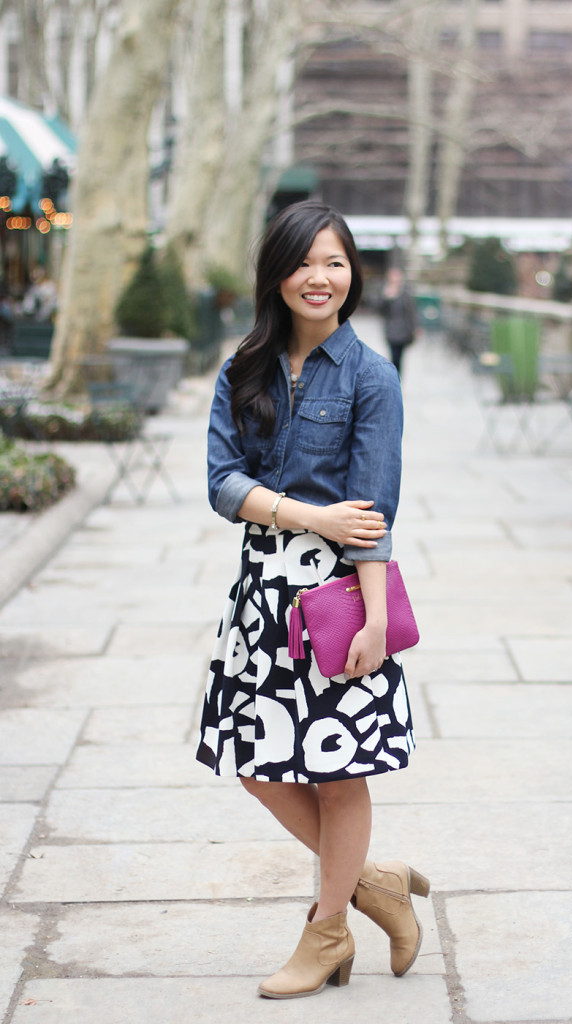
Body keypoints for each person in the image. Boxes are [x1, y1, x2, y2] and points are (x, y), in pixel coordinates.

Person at [197, 200, 429, 999]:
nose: (318, 278)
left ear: (352, 275)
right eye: (303, 262)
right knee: (255, 764)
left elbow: (371, 513)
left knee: (338, 770)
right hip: (261, 594)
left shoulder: (371, 376)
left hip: (334, 599)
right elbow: (222, 485)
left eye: (334, 263)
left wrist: (373, 621)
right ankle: (371, 882)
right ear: (278, 274)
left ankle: (325, 933)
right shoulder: (244, 368)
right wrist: (304, 514)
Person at [380, 266, 416, 376]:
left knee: (400, 357)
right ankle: (394, 377)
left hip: (404, 331)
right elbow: (380, 310)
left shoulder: (405, 293)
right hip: (392, 331)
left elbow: (411, 311)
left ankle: (397, 378)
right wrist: (386, 298)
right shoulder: (386, 292)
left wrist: (415, 327)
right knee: (394, 356)